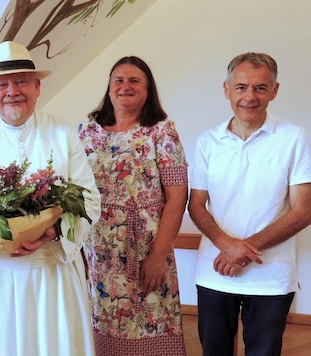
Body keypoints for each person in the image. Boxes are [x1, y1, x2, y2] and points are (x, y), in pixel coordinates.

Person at [0, 40, 102, 356]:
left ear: (37, 87)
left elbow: (89, 200)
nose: (12, 91)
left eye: (21, 81)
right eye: (2, 84)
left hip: (51, 273)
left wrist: (52, 232)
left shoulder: (64, 136)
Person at [188, 52, 311, 356]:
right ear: (226, 89)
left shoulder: (295, 138)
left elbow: (303, 211)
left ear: (274, 91)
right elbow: (197, 205)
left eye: (260, 87)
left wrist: (241, 250)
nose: (249, 96)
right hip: (214, 271)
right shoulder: (207, 141)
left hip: (271, 277)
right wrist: (225, 244)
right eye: (241, 87)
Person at [78, 56, 188, 355]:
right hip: (100, 254)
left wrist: (158, 256)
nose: (125, 86)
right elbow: (75, 193)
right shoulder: (87, 132)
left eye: (134, 80)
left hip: (147, 249)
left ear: (148, 89)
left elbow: (177, 197)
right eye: (119, 80)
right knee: (103, 321)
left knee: (152, 317)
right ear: (109, 88)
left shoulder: (162, 132)